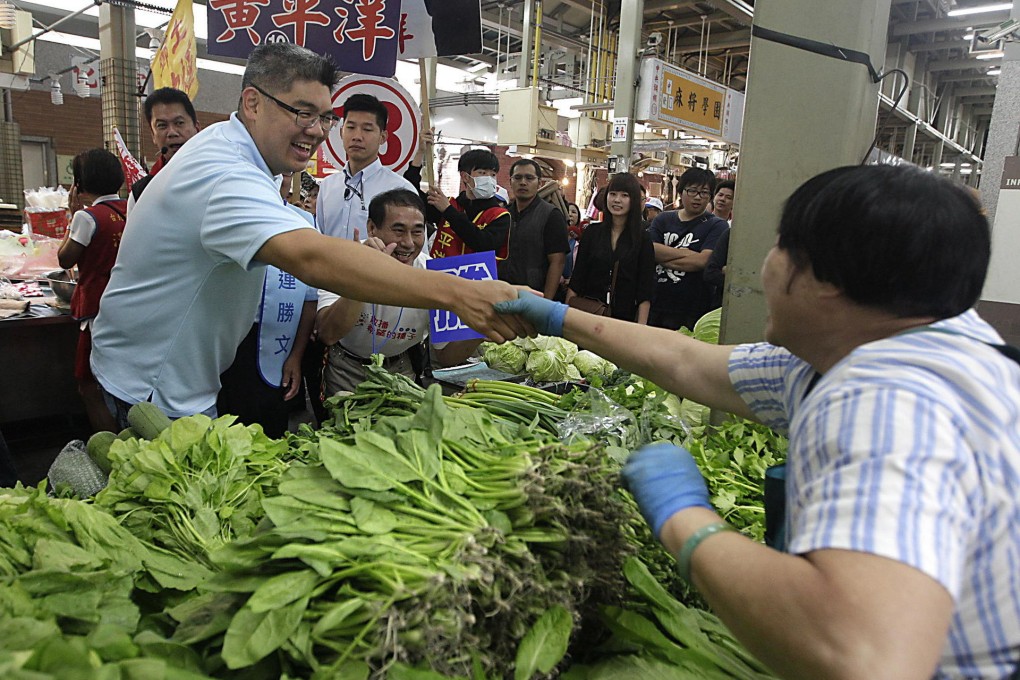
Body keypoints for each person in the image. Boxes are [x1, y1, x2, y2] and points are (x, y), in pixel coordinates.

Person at [496, 164, 1020, 679]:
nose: (766, 265)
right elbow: (688, 362)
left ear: (827, 277)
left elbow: (859, 653)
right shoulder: (906, 353)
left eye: (780, 246)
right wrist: (564, 320)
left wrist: (685, 520)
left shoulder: (892, 398)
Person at [90, 42, 528, 427]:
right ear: (252, 102)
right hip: (152, 386)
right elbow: (313, 258)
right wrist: (456, 294)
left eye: (324, 117)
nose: (317, 131)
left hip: (177, 374)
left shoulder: (238, 159)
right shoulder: (224, 172)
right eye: (302, 112)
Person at [316, 189, 481, 396]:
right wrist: (361, 276)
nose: (409, 243)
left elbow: (446, 356)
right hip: (348, 369)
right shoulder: (343, 262)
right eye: (399, 231)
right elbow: (328, 333)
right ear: (372, 228)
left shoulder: (435, 276)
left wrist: (483, 329)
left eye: (417, 231)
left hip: (401, 371)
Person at [216, 178, 318, 438]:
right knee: (224, 428)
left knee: (269, 432)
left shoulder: (303, 222)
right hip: (225, 338)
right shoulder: (228, 213)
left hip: (276, 343)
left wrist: (296, 355)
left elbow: (309, 298)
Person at [57, 148, 126, 434]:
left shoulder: (87, 218)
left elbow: (65, 259)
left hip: (96, 311)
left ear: (80, 184)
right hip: (125, 306)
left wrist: (73, 213)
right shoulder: (130, 209)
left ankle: (112, 449)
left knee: (88, 384)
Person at [316, 93, 415, 240]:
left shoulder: (400, 190)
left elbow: (415, 252)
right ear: (342, 132)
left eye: (367, 129)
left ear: (383, 137)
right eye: (350, 127)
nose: (357, 136)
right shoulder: (327, 187)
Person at [567, 172, 655, 324]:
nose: (617, 200)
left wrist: (641, 329)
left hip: (624, 318)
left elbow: (645, 290)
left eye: (624, 195)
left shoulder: (642, 238)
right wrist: (567, 318)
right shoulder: (592, 233)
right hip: (590, 313)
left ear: (633, 200)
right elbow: (577, 278)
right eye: (612, 194)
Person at [647, 167, 728, 331]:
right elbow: (649, 250)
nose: (698, 197)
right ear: (681, 191)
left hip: (693, 309)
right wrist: (688, 255)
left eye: (704, 192)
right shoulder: (663, 219)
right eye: (692, 191)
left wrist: (662, 257)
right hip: (656, 304)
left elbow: (702, 261)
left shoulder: (717, 225)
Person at [426, 148, 511, 263]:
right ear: (465, 177)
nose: (489, 179)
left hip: (476, 278)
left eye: (493, 175)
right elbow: (415, 203)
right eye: (482, 173)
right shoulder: (450, 204)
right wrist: (419, 155)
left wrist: (449, 212)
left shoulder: (499, 216)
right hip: (441, 275)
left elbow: (483, 244)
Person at [501, 158, 568, 301]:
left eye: (529, 178)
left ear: (540, 183)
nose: (523, 182)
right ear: (510, 182)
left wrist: (546, 302)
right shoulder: (503, 215)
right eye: (517, 177)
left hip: (535, 296)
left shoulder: (551, 215)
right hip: (505, 293)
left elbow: (558, 261)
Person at [128, 87, 200, 208]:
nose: (172, 132)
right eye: (162, 125)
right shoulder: (142, 193)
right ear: (153, 135)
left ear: (197, 128)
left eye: (179, 123)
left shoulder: (221, 174)